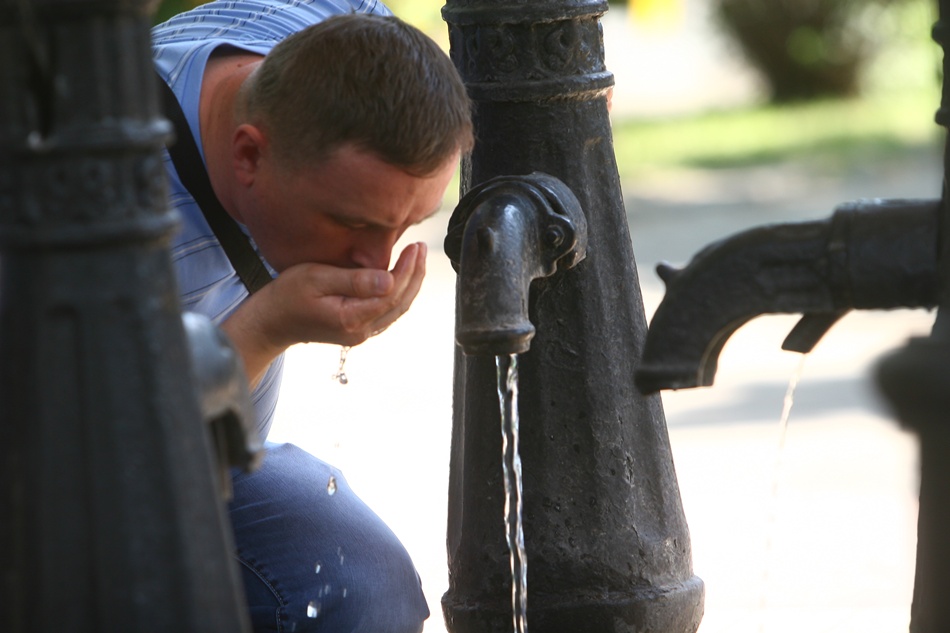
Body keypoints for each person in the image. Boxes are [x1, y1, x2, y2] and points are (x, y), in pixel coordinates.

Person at [151, 2, 474, 631]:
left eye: (405, 225)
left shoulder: (326, 28)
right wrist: (267, 325)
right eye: (352, 223)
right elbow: (108, 462)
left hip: (215, 453)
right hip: (74, 482)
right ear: (249, 156)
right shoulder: (107, 200)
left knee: (364, 583)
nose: (375, 266)